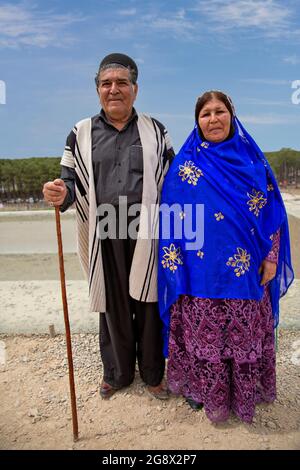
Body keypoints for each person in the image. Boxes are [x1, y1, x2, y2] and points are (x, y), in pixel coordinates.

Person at [43, 53, 174, 400]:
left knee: (148, 300)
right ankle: (117, 374)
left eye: (122, 83)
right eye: (106, 83)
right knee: (112, 302)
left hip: (147, 229)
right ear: (98, 89)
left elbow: (173, 182)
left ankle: (152, 374)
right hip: (103, 229)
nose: (114, 89)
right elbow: (70, 181)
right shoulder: (80, 132)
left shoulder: (156, 130)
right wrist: (60, 193)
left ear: (135, 88)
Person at [158, 90, 294, 422]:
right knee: (203, 337)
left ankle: (245, 396)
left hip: (245, 272)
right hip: (198, 273)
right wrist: (175, 266)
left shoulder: (252, 162)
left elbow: (273, 215)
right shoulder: (185, 164)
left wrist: (273, 257)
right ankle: (205, 393)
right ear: (197, 120)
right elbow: (171, 216)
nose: (213, 118)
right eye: (206, 113)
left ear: (232, 116)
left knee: (243, 335)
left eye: (220, 111)